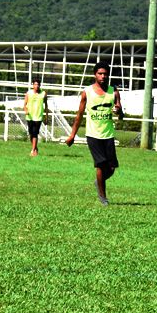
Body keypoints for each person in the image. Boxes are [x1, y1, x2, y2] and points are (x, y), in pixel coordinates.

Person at [63, 62, 123, 205]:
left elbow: (121, 114)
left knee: (112, 168)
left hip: (108, 134)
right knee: (101, 165)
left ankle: (98, 182)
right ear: (95, 75)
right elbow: (79, 115)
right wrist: (72, 135)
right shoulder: (87, 92)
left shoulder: (113, 91)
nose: (103, 76)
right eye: (100, 73)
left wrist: (119, 110)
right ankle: (103, 197)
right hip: (93, 135)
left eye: (105, 73)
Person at [23, 79, 47, 157]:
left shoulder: (43, 93)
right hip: (29, 116)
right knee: (31, 133)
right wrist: (26, 110)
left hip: (38, 117)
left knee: (35, 133)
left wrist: (46, 116)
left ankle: (33, 151)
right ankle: (35, 148)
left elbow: (46, 105)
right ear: (33, 85)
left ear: (40, 85)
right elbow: (24, 104)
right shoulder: (28, 93)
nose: (36, 86)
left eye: (38, 84)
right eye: (35, 84)